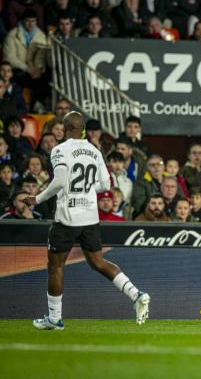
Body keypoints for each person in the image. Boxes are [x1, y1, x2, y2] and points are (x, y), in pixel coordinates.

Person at [23, 111, 150, 330]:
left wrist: (38, 198)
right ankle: (136, 294)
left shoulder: (60, 149)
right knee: (98, 262)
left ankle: (54, 318)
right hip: (90, 217)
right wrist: (87, 191)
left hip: (67, 218)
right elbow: (106, 184)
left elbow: (61, 179)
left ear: (64, 128)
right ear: (82, 129)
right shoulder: (95, 150)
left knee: (55, 266)